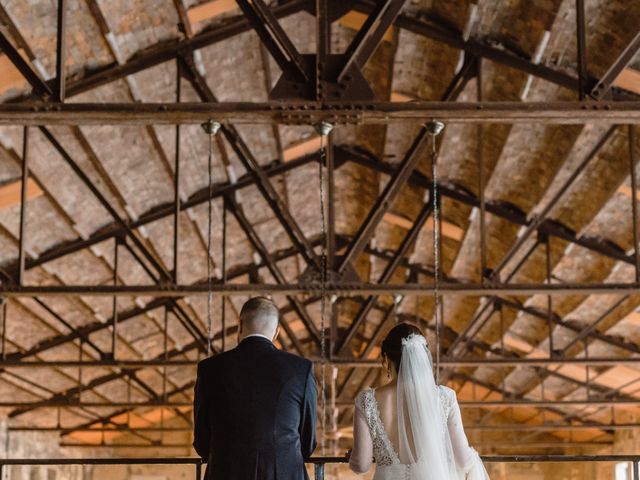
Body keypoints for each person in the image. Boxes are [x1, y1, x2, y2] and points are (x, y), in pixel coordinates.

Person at [193, 296, 318, 480]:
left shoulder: (209, 369)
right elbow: (308, 444)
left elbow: (202, 443)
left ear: (240, 324)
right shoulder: (301, 370)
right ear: (276, 333)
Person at [349, 322, 489, 480]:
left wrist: (352, 458)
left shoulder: (367, 400)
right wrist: (473, 456)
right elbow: (463, 461)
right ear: (422, 356)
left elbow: (361, 465)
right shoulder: (445, 398)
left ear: (386, 358)